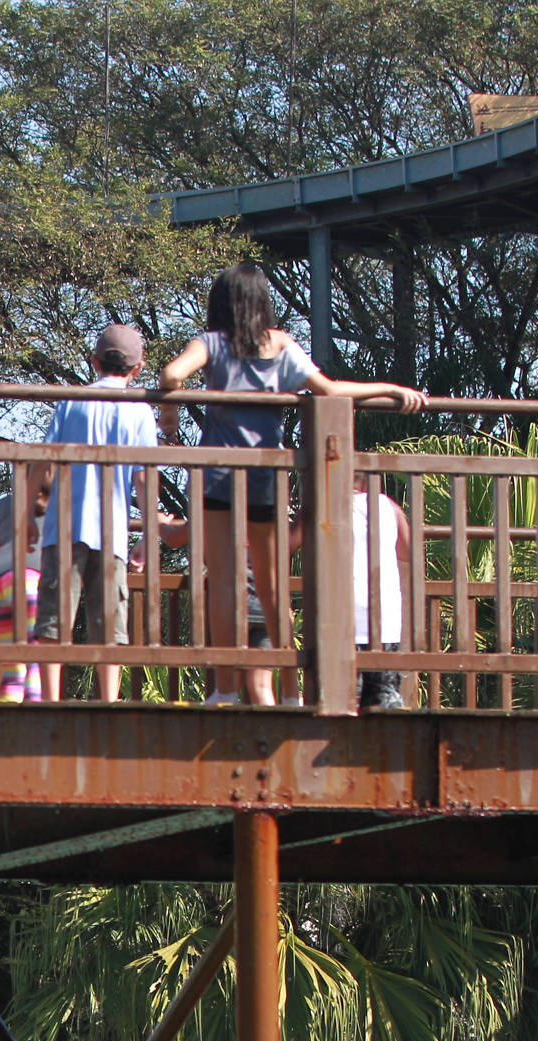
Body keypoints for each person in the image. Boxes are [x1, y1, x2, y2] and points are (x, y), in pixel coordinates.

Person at [158, 262, 425, 705]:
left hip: (217, 475)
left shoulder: (211, 343)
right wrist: (391, 389)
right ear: (262, 301)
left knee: (224, 584)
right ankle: (289, 692)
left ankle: (224, 691)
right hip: (265, 476)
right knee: (271, 584)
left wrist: (169, 412)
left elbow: (171, 375)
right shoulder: (281, 345)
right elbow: (332, 391)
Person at [29, 324, 159, 705]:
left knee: (54, 620)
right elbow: (145, 480)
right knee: (109, 623)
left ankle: (50, 701)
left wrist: (24, 514)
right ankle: (109, 701)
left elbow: (44, 458)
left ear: (94, 361)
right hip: (113, 529)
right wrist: (147, 537)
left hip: (63, 526)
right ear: (138, 369)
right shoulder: (138, 409)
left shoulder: (72, 400)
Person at [0, 494, 44, 705]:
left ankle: (5, 729)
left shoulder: (5, 502)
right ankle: (37, 727)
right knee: (35, 660)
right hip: (29, 576)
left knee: (12, 668)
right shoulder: (64, 502)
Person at [354, 471, 413, 708]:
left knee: (344, 702)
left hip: (340, 623)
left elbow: (292, 542)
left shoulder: (327, 503)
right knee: (384, 701)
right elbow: (408, 552)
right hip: (384, 620)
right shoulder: (388, 506)